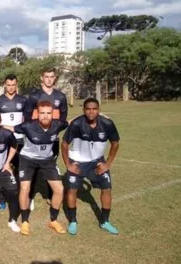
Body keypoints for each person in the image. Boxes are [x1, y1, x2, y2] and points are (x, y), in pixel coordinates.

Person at [61, 98, 120, 235]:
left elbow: (115, 143)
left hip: (97, 162)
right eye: (88, 109)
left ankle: (105, 221)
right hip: (77, 162)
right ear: (84, 110)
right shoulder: (76, 124)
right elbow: (64, 144)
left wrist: (107, 163)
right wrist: (68, 164)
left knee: (107, 189)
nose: (91, 112)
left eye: (94, 109)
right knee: (72, 191)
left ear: (99, 110)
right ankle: (73, 221)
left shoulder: (107, 123)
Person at [15, 100, 68, 235]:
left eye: (48, 113)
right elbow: (9, 127)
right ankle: (25, 221)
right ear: (36, 114)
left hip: (47, 160)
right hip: (27, 159)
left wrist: (99, 115)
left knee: (59, 189)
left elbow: (72, 121)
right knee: (25, 188)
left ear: (52, 114)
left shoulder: (58, 124)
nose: (45, 116)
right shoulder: (28, 126)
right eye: (42, 113)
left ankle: (53, 220)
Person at [23, 67, 68, 209]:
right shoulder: (34, 96)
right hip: (36, 139)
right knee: (33, 168)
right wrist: (35, 133)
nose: (49, 79)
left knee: (51, 166)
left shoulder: (60, 97)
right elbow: (27, 117)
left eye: (51, 76)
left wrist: (54, 130)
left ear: (55, 78)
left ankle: (50, 195)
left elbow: (63, 118)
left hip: (52, 139)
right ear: (41, 78)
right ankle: (29, 197)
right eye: (46, 76)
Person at [0, 74, 26, 211]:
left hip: (20, 140)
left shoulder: (23, 100)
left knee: (22, 170)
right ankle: (1, 198)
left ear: (16, 85)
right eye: (8, 85)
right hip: (4, 140)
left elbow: (26, 120)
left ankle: (22, 195)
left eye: (13, 85)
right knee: (3, 170)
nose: (11, 87)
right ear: (4, 85)